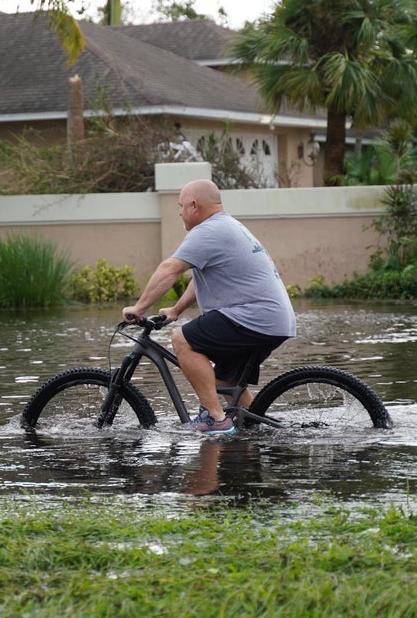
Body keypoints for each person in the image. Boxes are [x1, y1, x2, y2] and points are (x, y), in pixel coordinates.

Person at [122, 178, 296, 436]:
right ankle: (258, 432)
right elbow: (201, 277)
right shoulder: (226, 225)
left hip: (254, 318)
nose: (179, 212)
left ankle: (215, 419)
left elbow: (170, 269)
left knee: (182, 340)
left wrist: (139, 308)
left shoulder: (208, 231)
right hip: (272, 320)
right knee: (226, 382)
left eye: (181, 206)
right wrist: (176, 310)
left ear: (194, 205)